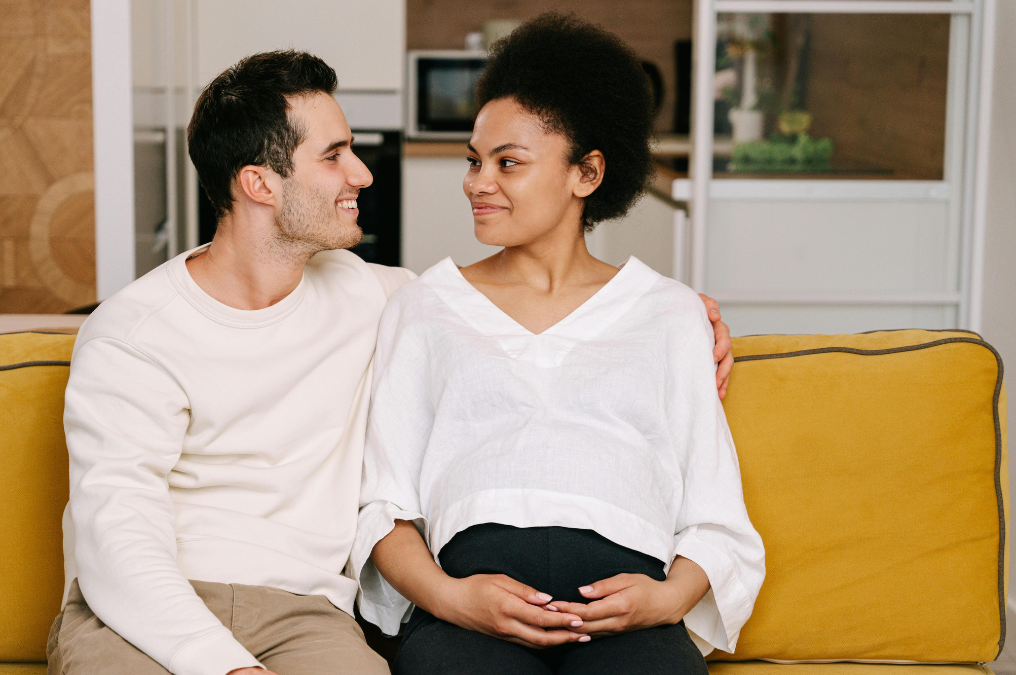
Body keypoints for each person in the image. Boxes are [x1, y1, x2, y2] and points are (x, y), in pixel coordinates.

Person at [47, 49, 734, 675]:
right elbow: (118, 538)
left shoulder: (384, 298)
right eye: (335, 154)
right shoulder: (133, 331)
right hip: (146, 606)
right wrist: (223, 666)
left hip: (302, 612)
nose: (363, 173)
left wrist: (676, 311)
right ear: (259, 184)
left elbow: (516, 316)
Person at [351, 14, 765, 675]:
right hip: (467, 615)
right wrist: (452, 599)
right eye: (473, 161)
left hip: (629, 621)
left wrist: (664, 600)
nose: (477, 182)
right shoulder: (423, 308)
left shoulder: (668, 314)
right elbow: (383, 504)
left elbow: (716, 515)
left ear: (587, 173)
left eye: (507, 163)